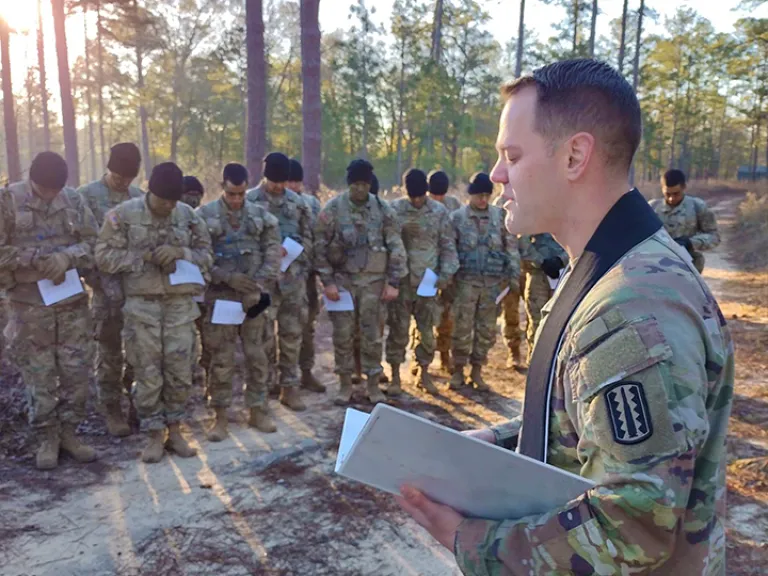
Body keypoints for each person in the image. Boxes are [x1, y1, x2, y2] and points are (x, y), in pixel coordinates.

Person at [396, 59, 734, 575]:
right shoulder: (608, 266)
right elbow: (581, 423)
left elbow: (634, 525)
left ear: (575, 155)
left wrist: (474, 542)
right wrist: (493, 445)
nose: (497, 175)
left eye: (512, 155)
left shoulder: (629, 306)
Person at [95, 162, 213, 464]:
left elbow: (207, 256)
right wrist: (144, 257)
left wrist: (181, 253)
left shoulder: (188, 216)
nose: (168, 206)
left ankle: (175, 430)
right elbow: (103, 256)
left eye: (173, 201)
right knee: (147, 371)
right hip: (141, 305)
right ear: (150, 191)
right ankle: (153, 434)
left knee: (179, 369)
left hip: (179, 306)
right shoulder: (123, 215)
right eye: (163, 201)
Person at [0, 152, 100, 470]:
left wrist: (67, 258)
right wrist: (32, 258)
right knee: (39, 376)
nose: (50, 196)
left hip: (70, 304)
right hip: (28, 306)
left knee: (76, 372)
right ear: (32, 181)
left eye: (55, 191)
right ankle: (47, 438)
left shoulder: (73, 200)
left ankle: (70, 434)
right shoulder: (8, 200)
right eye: (44, 190)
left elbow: (94, 244)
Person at [198, 163, 281, 439]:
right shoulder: (204, 217)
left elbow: (273, 252)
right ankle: (220, 416)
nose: (236, 199)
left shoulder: (262, 216)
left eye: (241, 194)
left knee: (258, 355)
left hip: (254, 297)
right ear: (222, 187)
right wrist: (225, 277)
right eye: (231, 194)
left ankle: (258, 409)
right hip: (221, 298)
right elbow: (199, 257)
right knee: (221, 358)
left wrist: (258, 286)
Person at [314, 159, 408, 405]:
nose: (359, 189)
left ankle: (373, 385)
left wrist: (394, 281)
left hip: (373, 284)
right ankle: (345, 384)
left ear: (370, 184)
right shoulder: (333, 209)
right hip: (342, 284)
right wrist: (328, 282)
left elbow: (396, 246)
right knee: (343, 336)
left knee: (372, 336)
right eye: (355, 184)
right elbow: (319, 248)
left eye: (364, 184)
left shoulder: (383, 210)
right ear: (349, 184)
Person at [78, 142, 144, 436]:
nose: (123, 182)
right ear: (109, 169)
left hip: (135, 289)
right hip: (104, 291)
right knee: (109, 353)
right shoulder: (86, 197)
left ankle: (137, 404)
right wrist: (95, 280)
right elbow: (82, 244)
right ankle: (112, 409)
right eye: (119, 177)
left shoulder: (139, 198)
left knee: (139, 351)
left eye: (129, 177)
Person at [246, 152, 313, 412]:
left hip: (292, 281)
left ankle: (290, 387)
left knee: (292, 335)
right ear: (265, 177)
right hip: (262, 283)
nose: (278, 186)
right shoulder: (249, 201)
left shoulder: (298, 204)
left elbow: (310, 238)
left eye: (282, 181)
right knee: (261, 337)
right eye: (273, 181)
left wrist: (293, 250)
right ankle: (263, 388)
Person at [385, 169, 458, 395]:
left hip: (428, 281)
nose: (417, 200)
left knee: (427, 331)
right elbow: (388, 245)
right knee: (398, 330)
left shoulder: (439, 212)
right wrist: (390, 280)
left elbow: (448, 246)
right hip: (402, 281)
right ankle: (395, 376)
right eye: (412, 196)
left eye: (420, 196)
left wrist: (445, 275)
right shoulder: (394, 210)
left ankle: (423, 373)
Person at [449, 172, 520, 390]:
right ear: (470, 194)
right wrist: (448, 279)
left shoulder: (499, 217)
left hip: (491, 285)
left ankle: (477, 371)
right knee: (462, 328)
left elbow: (511, 247)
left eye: (486, 196)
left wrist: (514, 275)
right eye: (478, 195)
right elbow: (449, 249)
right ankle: (458, 371)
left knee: (486, 330)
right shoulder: (457, 218)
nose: (482, 199)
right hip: (466, 283)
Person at [287, 158, 325, 394]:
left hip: (306, 276)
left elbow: (319, 237)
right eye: (289, 181)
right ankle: (279, 377)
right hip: (279, 278)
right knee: (278, 331)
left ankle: (306, 372)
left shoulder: (311, 204)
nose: (292, 186)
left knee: (307, 327)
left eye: (296, 181)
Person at [649, 169, 720, 273]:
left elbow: (714, 237)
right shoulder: (651, 208)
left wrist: (690, 242)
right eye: (667, 194)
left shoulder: (697, 207)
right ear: (662, 189)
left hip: (688, 268)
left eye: (676, 193)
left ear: (684, 187)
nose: (671, 198)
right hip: (656, 267)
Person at [428, 170, 462, 373]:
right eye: (435, 194)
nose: (438, 199)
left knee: (448, 316)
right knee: (426, 316)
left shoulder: (454, 205)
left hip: (450, 271)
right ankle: (420, 361)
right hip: (428, 272)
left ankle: (444, 355)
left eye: (441, 194)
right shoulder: (423, 206)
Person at [518, 232, 567, 363]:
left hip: (564, 274)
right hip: (538, 275)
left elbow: (579, 240)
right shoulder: (534, 218)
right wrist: (541, 262)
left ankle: (555, 367)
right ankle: (535, 366)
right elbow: (522, 239)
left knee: (562, 323)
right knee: (537, 322)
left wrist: (561, 260)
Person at [182, 176, 210, 388]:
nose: (193, 201)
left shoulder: (204, 219)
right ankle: (188, 372)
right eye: (188, 196)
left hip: (203, 287)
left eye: (196, 197)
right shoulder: (173, 220)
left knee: (208, 335)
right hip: (180, 289)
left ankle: (205, 370)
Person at [492, 194, 526, 370]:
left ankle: (534, 352)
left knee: (536, 313)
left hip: (531, 266)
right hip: (509, 268)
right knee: (510, 311)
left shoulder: (531, 194)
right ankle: (514, 351)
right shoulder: (499, 204)